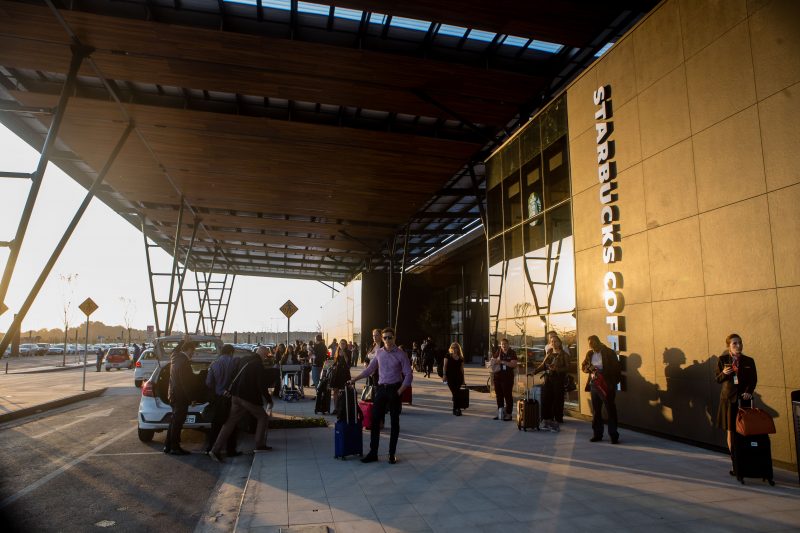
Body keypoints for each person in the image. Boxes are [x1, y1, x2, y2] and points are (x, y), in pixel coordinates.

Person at [348, 327, 412, 464]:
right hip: (381, 389)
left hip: (395, 389)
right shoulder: (379, 353)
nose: (387, 340)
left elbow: (408, 375)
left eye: (390, 337)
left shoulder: (401, 354)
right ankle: (373, 453)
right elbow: (370, 370)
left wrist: (399, 392)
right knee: (374, 421)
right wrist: (355, 379)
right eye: (385, 338)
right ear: (382, 339)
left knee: (395, 422)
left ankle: (391, 453)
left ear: (394, 338)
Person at [210, 353, 274, 462]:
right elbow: (261, 384)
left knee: (230, 422)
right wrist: (269, 400)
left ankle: (215, 450)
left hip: (235, 396)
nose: (265, 359)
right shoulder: (258, 364)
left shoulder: (243, 359)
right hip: (247, 397)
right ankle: (260, 445)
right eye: (265, 356)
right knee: (262, 417)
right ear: (262, 356)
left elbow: (232, 375)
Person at [715, 333, 757, 473]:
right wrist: (724, 373)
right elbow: (718, 379)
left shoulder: (749, 361)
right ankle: (735, 463)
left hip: (744, 400)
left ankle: (747, 461)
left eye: (740, 342)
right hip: (728, 400)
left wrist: (749, 391)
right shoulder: (722, 360)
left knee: (745, 431)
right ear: (729, 346)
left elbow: (753, 380)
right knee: (731, 431)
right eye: (735, 343)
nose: (738, 345)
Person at [581, 335, 621, 444]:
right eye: (589, 344)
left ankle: (613, 435)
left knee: (610, 409)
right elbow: (584, 366)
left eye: (593, 344)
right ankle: (597, 434)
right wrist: (590, 368)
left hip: (606, 385)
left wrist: (611, 382)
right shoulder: (590, 353)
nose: (591, 346)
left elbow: (617, 369)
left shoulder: (609, 352)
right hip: (594, 384)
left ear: (598, 342)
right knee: (596, 411)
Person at [205, 343, 240, 456]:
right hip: (231, 397)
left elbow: (209, 382)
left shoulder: (214, 363)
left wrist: (217, 388)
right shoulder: (235, 362)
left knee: (216, 424)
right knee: (232, 423)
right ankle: (231, 450)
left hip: (218, 398)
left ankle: (211, 447)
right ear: (231, 352)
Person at [165, 338, 197, 455]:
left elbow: (175, 349)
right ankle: (175, 447)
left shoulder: (174, 357)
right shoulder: (184, 362)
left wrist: (183, 340)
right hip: (180, 397)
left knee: (173, 421)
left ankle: (167, 445)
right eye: (192, 351)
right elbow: (185, 383)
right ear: (188, 349)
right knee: (178, 422)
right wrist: (192, 398)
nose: (193, 354)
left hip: (172, 395)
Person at [535, 335, 569, 431]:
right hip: (548, 378)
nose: (553, 343)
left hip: (558, 379)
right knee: (546, 399)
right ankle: (547, 420)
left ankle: (556, 421)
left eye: (555, 341)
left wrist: (557, 368)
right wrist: (535, 371)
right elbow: (543, 365)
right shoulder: (549, 352)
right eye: (552, 341)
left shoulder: (564, 354)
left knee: (557, 400)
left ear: (559, 343)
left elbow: (568, 368)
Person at [488, 338, 517, 420]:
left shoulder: (512, 353)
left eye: (505, 344)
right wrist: (492, 362)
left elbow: (513, 364)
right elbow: (493, 360)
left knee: (507, 396)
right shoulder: (498, 352)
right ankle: (500, 412)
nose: (503, 346)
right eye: (502, 344)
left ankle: (509, 414)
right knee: (499, 396)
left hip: (507, 378)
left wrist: (502, 362)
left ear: (508, 344)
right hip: (497, 377)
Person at [443, 342, 466, 416]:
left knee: (456, 393)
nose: (454, 349)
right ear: (451, 348)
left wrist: (463, 380)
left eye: (456, 347)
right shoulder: (448, 356)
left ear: (458, 349)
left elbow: (462, 369)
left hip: (458, 377)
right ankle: (457, 409)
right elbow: (445, 366)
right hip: (450, 377)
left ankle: (456, 409)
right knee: (455, 393)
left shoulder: (461, 358)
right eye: (453, 347)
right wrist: (444, 375)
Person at [329, 340, 352, 414]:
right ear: (339, 344)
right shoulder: (337, 351)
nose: (342, 345)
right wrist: (331, 365)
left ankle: (342, 408)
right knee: (335, 390)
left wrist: (344, 353)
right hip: (336, 373)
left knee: (343, 391)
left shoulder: (348, 352)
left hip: (344, 374)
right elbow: (335, 362)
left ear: (346, 345)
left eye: (344, 344)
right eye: (341, 343)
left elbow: (348, 362)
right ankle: (335, 408)